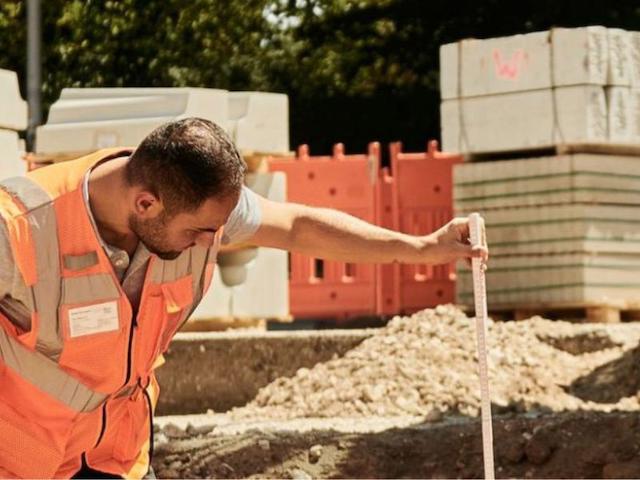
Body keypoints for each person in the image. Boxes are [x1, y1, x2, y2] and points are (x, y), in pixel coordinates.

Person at [0, 117, 487, 479]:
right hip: (24, 462)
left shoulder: (193, 204)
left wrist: (422, 247)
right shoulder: (17, 228)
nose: (212, 241)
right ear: (146, 203)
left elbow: (297, 226)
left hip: (116, 457)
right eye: (201, 231)